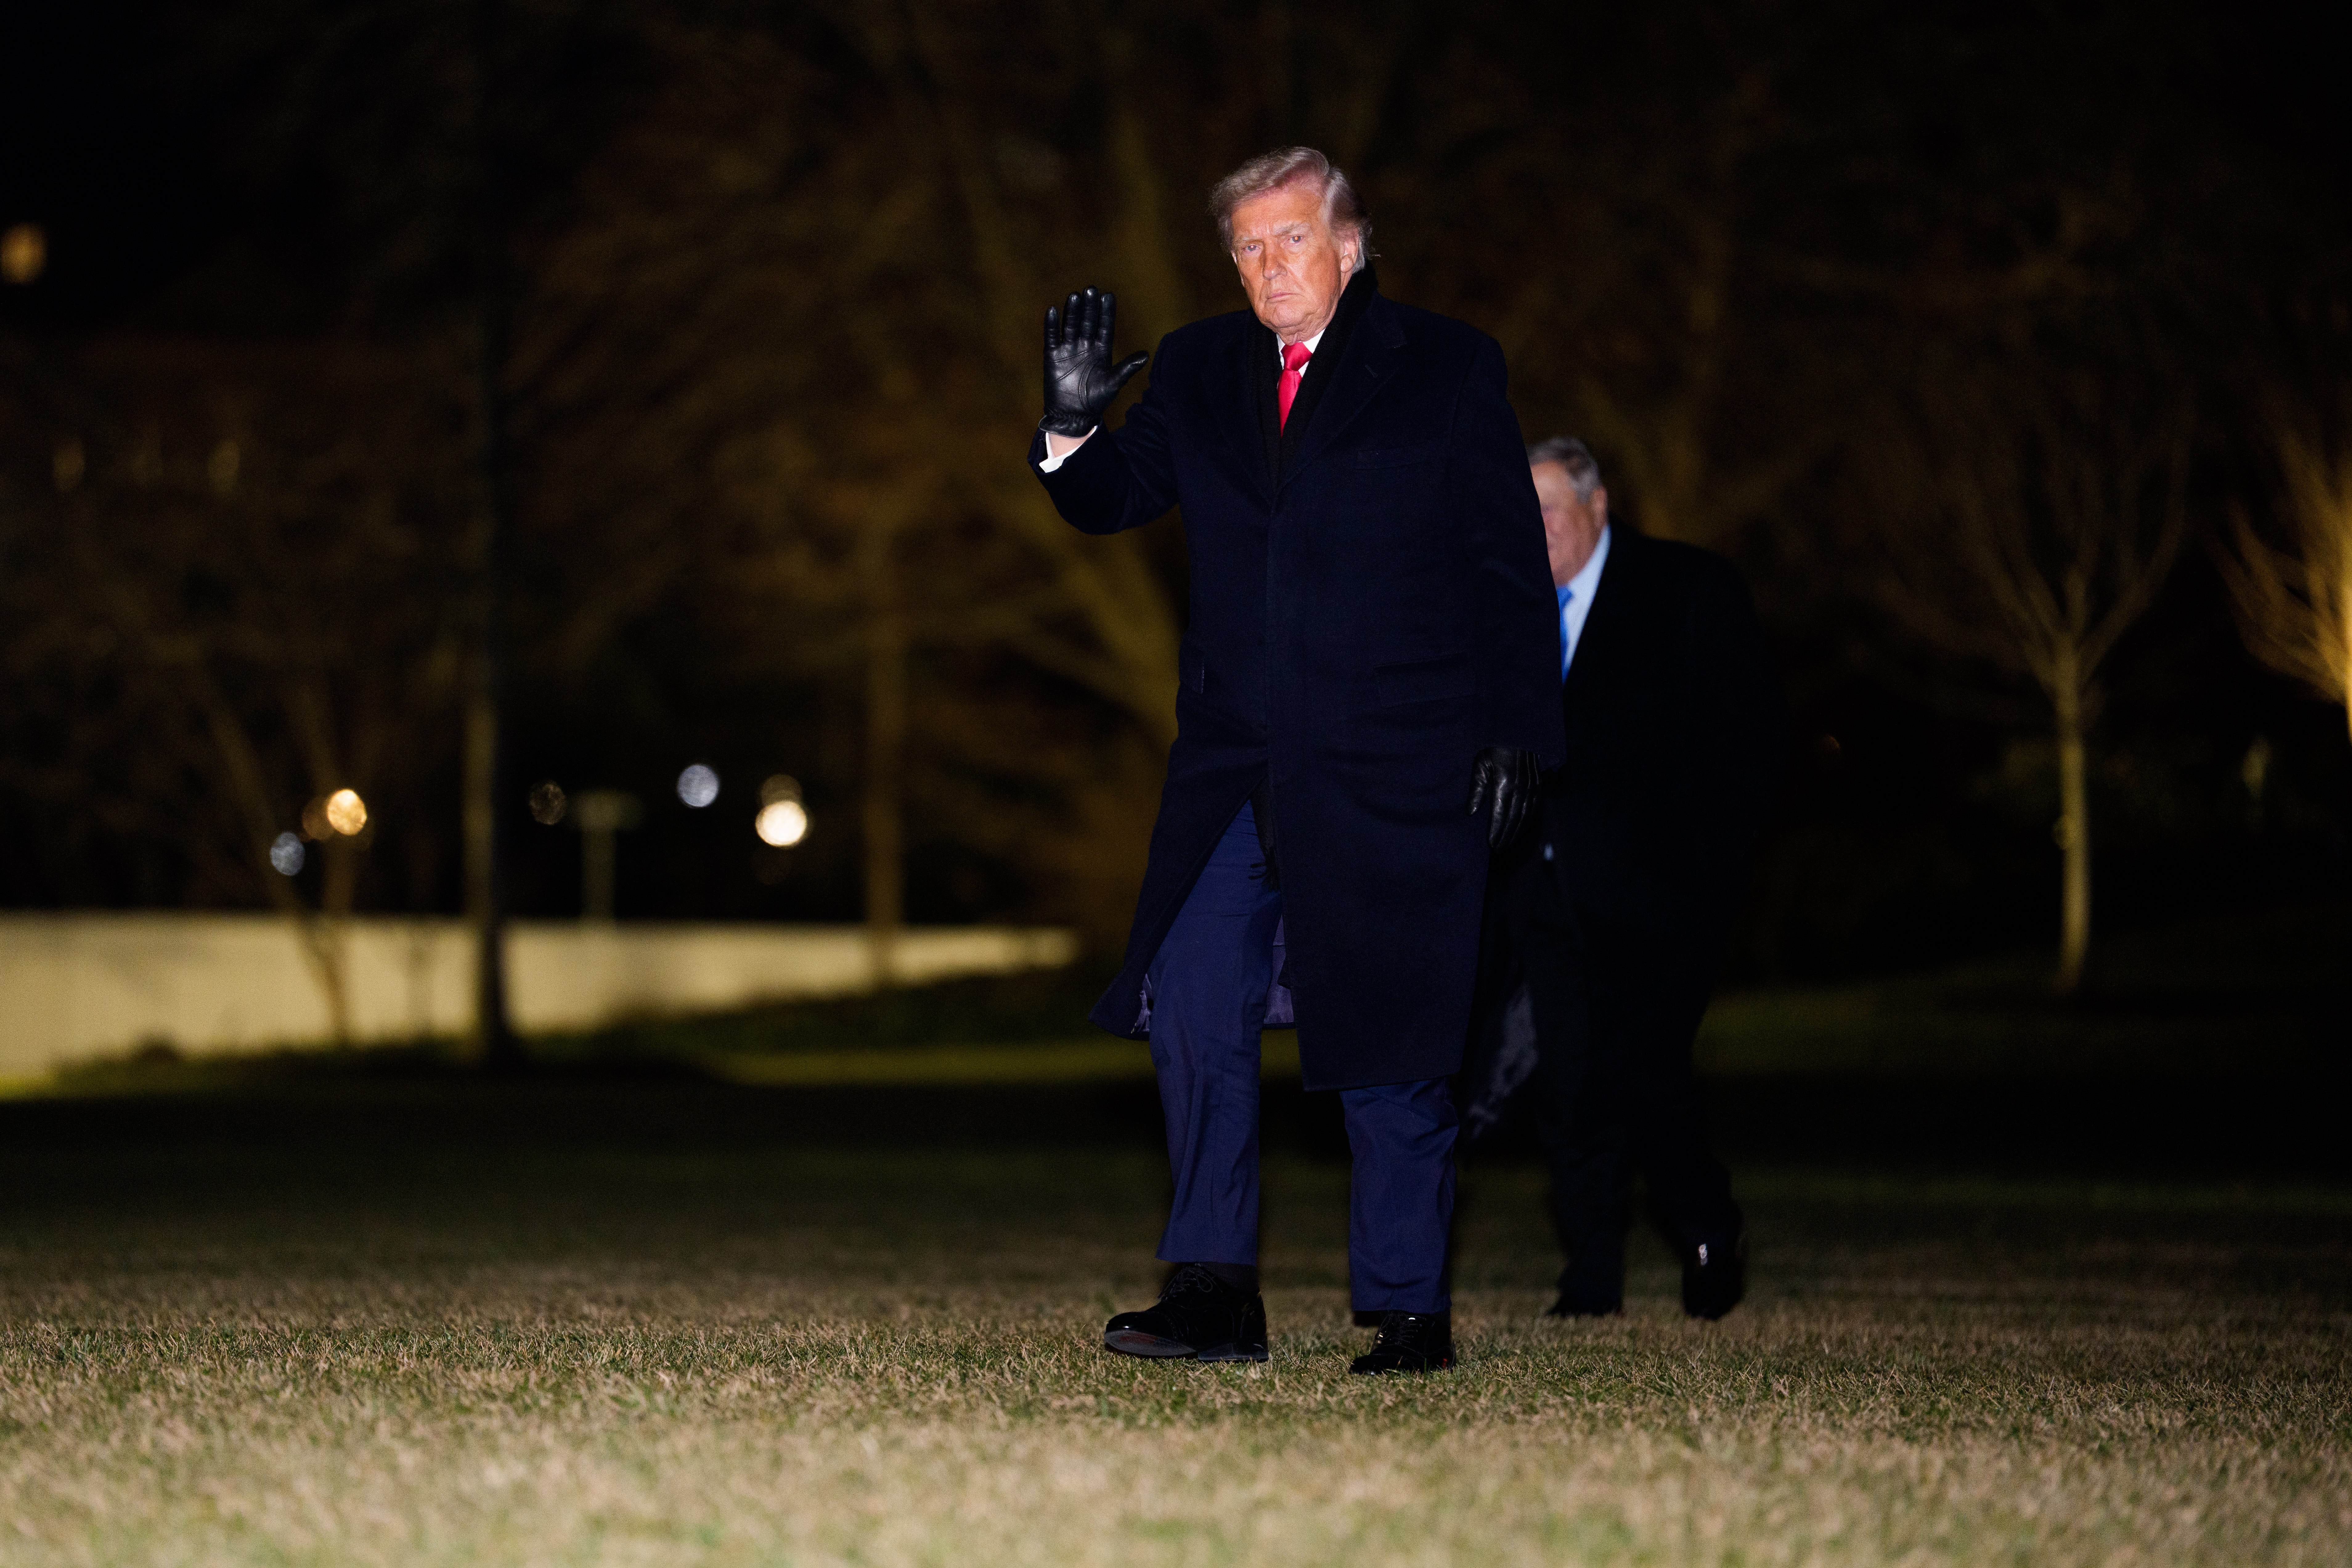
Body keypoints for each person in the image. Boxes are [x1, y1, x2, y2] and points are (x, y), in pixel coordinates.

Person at [1030, 148, 1562, 1373]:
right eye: (1248, 245)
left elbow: (1500, 560)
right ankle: (1214, 1293)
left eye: (1293, 238)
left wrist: (1524, 727)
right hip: (1232, 758)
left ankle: (1406, 1306)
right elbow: (1115, 498)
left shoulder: (1443, 364)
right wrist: (1070, 426)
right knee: (1198, 1006)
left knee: (1391, 1029)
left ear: (1352, 245)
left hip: (1396, 758)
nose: (1269, 263)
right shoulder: (1206, 366)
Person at [1460, 436, 1783, 1320]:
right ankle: (1591, 1273)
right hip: (1541, 889)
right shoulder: (1499, 606)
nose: (1531, 530)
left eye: (1548, 509)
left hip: (1665, 893)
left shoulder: (1689, 591)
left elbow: (1747, 745)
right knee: (1568, 1081)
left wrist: (1709, 863)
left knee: (1647, 1064)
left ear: (1597, 508)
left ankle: (1707, 1224)